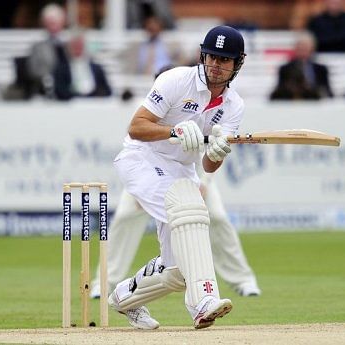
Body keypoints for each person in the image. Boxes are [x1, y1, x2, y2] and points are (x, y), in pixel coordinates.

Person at [108, 25, 247, 330]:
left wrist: (219, 151)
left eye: (224, 60)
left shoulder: (234, 106)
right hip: (141, 159)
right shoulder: (175, 80)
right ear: (203, 55)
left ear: (237, 63)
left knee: (179, 270)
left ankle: (123, 298)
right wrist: (174, 130)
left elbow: (209, 166)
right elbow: (136, 127)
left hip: (181, 169)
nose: (216, 65)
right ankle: (203, 301)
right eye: (212, 57)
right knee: (191, 210)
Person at [90, 65, 260, 300]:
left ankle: (242, 280)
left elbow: (208, 161)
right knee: (125, 218)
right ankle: (104, 282)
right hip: (148, 167)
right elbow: (137, 131)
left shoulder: (222, 104)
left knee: (217, 219)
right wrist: (173, 132)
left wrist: (206, 180)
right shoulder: (163, 101)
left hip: (193, 172)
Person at [26, 3, 73, 100]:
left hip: (69, 86)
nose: (53, 26)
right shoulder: (38, 47)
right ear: (44, 24)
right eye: (50, 23)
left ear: (62, 23)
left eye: (55, 22)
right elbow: (33, 70)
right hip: (48, 87)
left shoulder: (69, 44)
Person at [270, 32, 333, 100]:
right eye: (300, 47)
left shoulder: (321, 69)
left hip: (315, 104)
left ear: (312, 48)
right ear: (295, 49)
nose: (302, 50)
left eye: (305, 47)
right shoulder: (285, 69)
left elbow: (328, 92)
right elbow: (278, 93)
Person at [67, 33, 112, 97]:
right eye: (75, 46)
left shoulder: (97, 68)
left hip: (93, 102)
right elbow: (60, 91)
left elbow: (107, 90)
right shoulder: (62, 69)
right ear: (70, 48)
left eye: (80, 46)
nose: (77, 49)